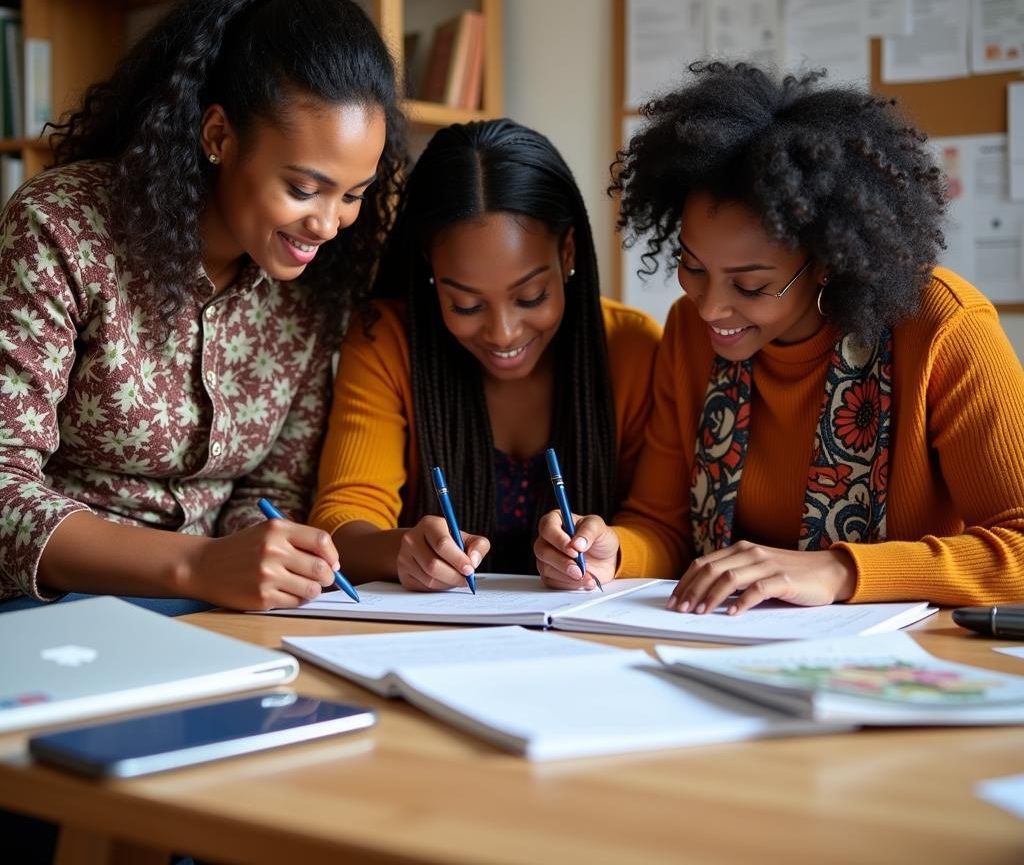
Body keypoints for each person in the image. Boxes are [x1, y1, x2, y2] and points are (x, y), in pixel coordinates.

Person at [0, 0, 405, 613]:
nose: (329, 224)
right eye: (305, 189)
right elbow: (4, 488)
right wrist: (196, 565)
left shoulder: (315, 286)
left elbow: (267, 495)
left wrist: (272, 559)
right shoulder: (61, 229)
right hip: (48, 609)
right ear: (218, 134)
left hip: (220, 612)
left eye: (355, 194)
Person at [534, 61, 1024, 609]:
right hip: (725, 648)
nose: (710, 306)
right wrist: (612, 551)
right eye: (693, 268)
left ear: (827, 264)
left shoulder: (942, 328)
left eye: (750, 284)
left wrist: (839, 570)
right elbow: (662, 524)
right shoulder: (687, 334)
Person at [310, 118, 661, 588]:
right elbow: (343, 516)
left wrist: (615, 553)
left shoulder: (631, 348)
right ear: (430, 270)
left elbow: (663, 527)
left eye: (531, 296)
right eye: (467, 304)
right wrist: (401, 549)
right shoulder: (386, 342)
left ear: (569, 254)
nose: (503, 332)